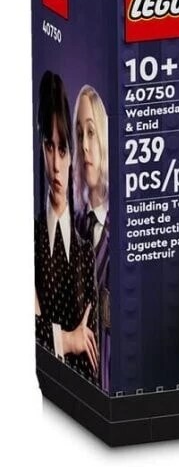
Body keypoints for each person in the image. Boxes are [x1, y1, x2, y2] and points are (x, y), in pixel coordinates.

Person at [34, 72, 98, 380]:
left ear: (72, 155)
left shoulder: (86, 242)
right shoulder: (30, 238)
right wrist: (68, 340)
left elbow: (91, 346)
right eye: (49, 146)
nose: (56, 166)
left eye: (63, 150)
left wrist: (50, 333)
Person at [73, 85, 110, 390]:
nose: (84, 145)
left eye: (91, 132)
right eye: (79, 135)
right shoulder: (73, 225)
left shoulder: (122, 225)